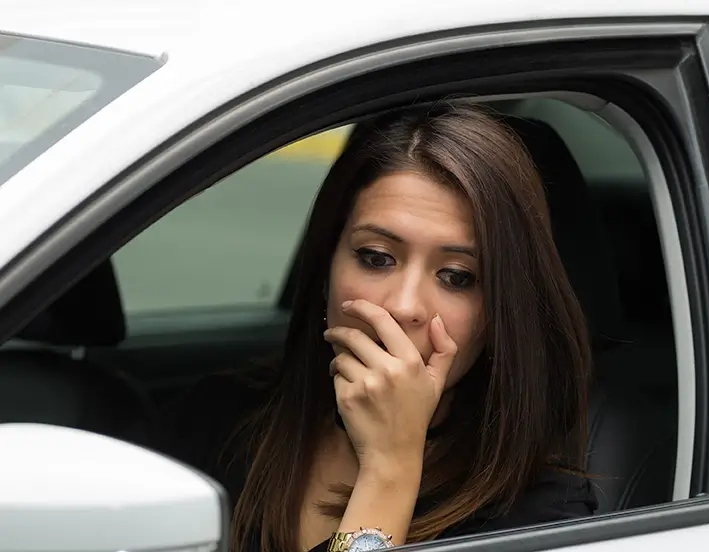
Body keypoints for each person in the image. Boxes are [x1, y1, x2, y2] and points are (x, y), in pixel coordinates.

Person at [146, 101, 597, 552]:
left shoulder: (541, 518)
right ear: (326, 268)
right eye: (376, 257)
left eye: (457, 277)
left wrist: (389, 468)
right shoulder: (216, 421)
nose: (403, 307)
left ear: (498, 314)